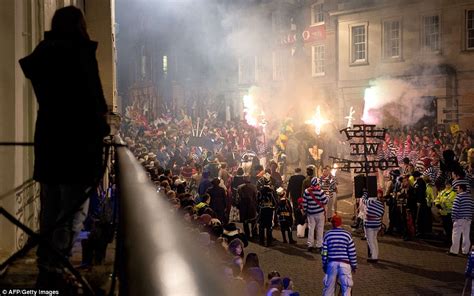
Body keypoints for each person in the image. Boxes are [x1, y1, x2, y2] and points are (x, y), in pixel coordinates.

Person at [19, 6, 109, 289]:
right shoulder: (79, 53)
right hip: (77, 147)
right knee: (71, 213)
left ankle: (47, 267)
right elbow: (94, 101)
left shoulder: (45, 53)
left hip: (49, 141)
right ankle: (57, 270)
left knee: (51, 209)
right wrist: (103, 128)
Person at [321, 214, 357, 296]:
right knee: (347, 289)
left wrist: (324, 264)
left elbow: (324, 252)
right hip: (345, 264)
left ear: (332, 224)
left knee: (328, 289)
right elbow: (352, 252)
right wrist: (354, 265)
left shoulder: (327, 234)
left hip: (331, 263)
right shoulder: (347, 235)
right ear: (341, 223)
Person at [302, 177, 328, 252]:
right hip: (319, 213)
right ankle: (319, 245)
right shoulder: (320, 191)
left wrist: (306, 211)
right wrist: (328, 197)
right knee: (320, 229)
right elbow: (325, 201)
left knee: (311, 228)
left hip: (310, 213)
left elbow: (304, 203)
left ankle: (310, 245)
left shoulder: (307, 191)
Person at [448, 184, 474, 255]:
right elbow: (472, 209)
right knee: (466, 235)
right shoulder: (470, 197)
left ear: (461, 189)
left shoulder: (459, 197)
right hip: (468, 219)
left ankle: (454, 251)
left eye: (458, 188)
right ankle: (465, 251)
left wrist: (453, 218)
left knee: (456, 236)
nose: (457, 190)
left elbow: (455, 209)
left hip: (459, 219)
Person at [362, 189, 385, 263]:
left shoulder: (370, 202)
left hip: (369, 224)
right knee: (374, 240)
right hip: (377, 225)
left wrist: (365, 193)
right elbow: (381, 213)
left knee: (370, 241)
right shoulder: (380, 204)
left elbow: (363, 200)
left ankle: (374, 257)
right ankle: (376, 254)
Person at [257, 174, 277, 247]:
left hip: (262, 209)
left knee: (261, 226)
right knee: (269, 226)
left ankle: (261, 241)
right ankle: (269, 242)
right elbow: (275, 201)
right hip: (269, 210)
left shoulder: (260, 191)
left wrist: (258, 208)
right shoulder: (271, 191)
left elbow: (258, 200)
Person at [238, 176, 259, 240]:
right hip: (252, 206)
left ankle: (247, 234)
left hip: (243, 206)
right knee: (253, 220)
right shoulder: (253, 187)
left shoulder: (240, 187)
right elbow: (256, 197)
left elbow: (238, 198)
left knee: (245, 221)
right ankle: (254, 234)